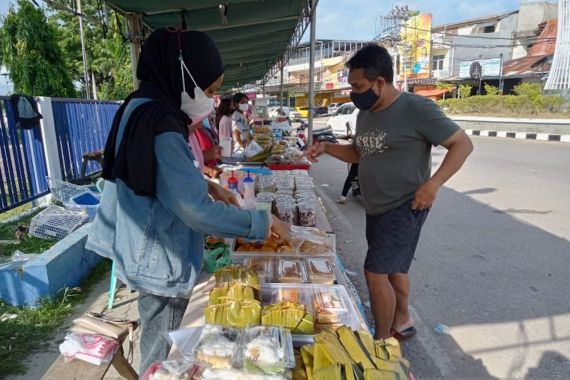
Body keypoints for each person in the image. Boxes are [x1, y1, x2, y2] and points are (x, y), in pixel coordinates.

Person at [85, 28, 290, 372]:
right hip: (158, 256)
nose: (212, 98)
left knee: (158, 340)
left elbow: (157, 174)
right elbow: (193, 211)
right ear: (182, 74)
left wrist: (210, 187)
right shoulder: (160, 121)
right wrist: (263, 221)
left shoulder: (139, 105)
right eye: (209, 89)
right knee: (161, 359)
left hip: (139, 248)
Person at [305, 44, 473, 340]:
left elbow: (463, 145)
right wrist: (327, 148)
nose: (353, 92)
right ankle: (403, 319)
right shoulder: (367, 113)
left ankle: (380, 344)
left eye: (358, 86)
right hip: (376, 206)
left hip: (406, 204)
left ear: (379, 81)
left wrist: (432, 185)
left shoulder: (416, 109)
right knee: (394, 268)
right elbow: (360, 153)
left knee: (375, 272)